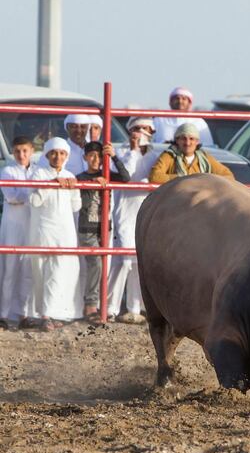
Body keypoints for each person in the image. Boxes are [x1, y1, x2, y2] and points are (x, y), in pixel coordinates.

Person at [108, 118, 159, 324]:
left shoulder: (155, 157)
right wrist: (133, 150)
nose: (140, 132)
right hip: (124, 211)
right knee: (122, 261)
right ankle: (111, 307)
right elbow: (126, 175)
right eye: (136, 129)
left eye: (145, 129)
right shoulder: (120, 153)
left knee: (139, 261)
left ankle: (135, 308)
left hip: (145, 210)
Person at [28, 137, 83, 330]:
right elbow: (34, 201)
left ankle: (56, 313)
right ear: (47, 155)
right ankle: (44, 314)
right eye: (54, 153)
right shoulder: (38, 174)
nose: (57, 157)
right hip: (44, 231)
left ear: (66, 156)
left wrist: (73, 186)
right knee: (43, 272)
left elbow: (76, 205)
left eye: (61, 153)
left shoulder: (70, 174)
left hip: (65, 231)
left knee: (61, 272)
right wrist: (52, 183)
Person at [76, 141, 131, 321]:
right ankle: (90, 305)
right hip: (87, 228)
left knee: (103, 267)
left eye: (99, 156)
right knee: (96, 264)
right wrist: (93, 183)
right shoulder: (80, 177)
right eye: (91, 155)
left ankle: (99, 305)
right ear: (85, 157)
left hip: (105, 227)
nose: (95, 159)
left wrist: (114, 156)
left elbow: (125, 178)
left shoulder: (105, 174)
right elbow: (80, 192)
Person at [0, 137, 36, 329]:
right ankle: (3, 313)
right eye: (17, 151)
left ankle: (24, 313)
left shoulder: (37, 170)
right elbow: (12, 196)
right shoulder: (7, 170)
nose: (21, 155)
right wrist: (33, 193)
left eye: (25, 151)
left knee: (27, 271)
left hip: (31, 225)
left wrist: (27, 194)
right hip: (12, 226)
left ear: (31, 150)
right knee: (9, 270)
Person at [149, 123, 233, 183]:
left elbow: (228, 176)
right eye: (183, 138)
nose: (187, 143)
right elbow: (154, 177)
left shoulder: (205, 158)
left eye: (191, 139)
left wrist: (206, 180)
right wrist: (183, 178)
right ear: (177, 140)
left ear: (197, 141)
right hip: (175, 201)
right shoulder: (169, 156)